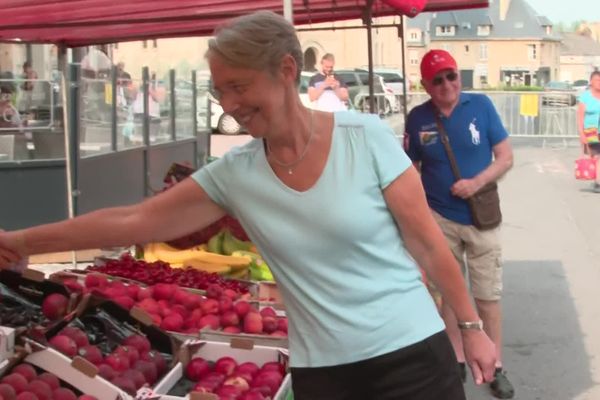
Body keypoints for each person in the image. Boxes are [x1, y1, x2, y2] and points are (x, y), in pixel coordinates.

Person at [0, 12, 496, 400]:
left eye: (238, 86)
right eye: (220, 90)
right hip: (323, 372)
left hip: (410, 353)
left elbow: (429, 246)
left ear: (285, 70)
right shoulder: (236, 173)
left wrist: (472, 330)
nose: (229, 103)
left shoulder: (363, 139)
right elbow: (134, 220)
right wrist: (21, 241)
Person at [404, 49, 515, 399]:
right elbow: (411, 170)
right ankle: (457, 357)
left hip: (481, 218)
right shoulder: (417, 118)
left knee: (487, 296)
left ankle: (495, 364)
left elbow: (506, 156)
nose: (447, 84)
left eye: (451, 75)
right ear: (425, 85)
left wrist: (475, 183)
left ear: (459, 76)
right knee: (451, 294)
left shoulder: (480, 105)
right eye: (437, 79)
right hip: (438, 218)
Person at [577, 70, 600, 193]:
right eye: (597, 80)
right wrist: (582, 134)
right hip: (590, 131)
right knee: (595, 156)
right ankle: (597, 182)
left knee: (598, 157)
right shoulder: (585, 97)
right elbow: (580, 117)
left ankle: (597, 182)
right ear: (591, 82)